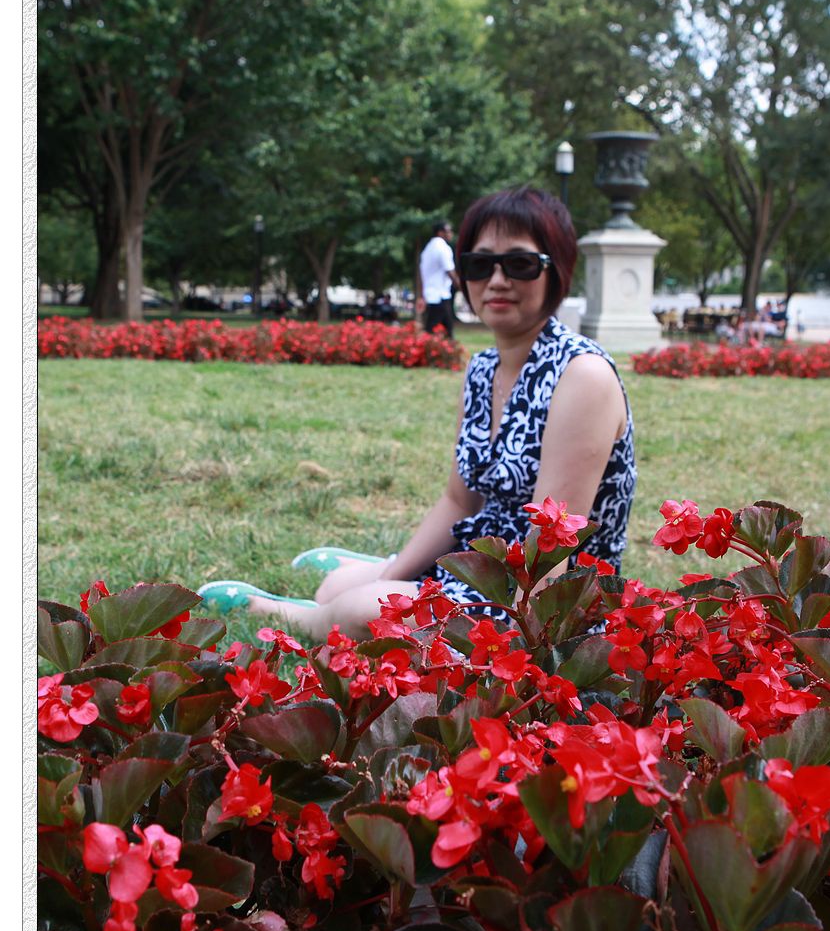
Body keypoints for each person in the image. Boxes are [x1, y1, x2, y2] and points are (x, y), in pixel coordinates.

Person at [198, 187, 637, 643]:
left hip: (542, 601)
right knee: (338, 588)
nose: (497, 280)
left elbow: (551, 551)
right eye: (479, 264)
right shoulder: (483, 368)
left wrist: (532, 647)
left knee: (355, 609)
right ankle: (367, 575)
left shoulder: (582, 376)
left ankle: (295, 617)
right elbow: (459, 502)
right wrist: (391, 578)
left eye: (520, 263)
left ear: (556, 270)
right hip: (482, 565)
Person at [418, 220, 458, 338]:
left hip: (431, 294)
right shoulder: (443, 247)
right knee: (432, 330)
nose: (451, 234)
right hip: (440, 295)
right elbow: (449, 269)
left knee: (445, 329)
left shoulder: (428, 248)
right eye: (448, 231)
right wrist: (460, 285)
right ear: (440, 233)